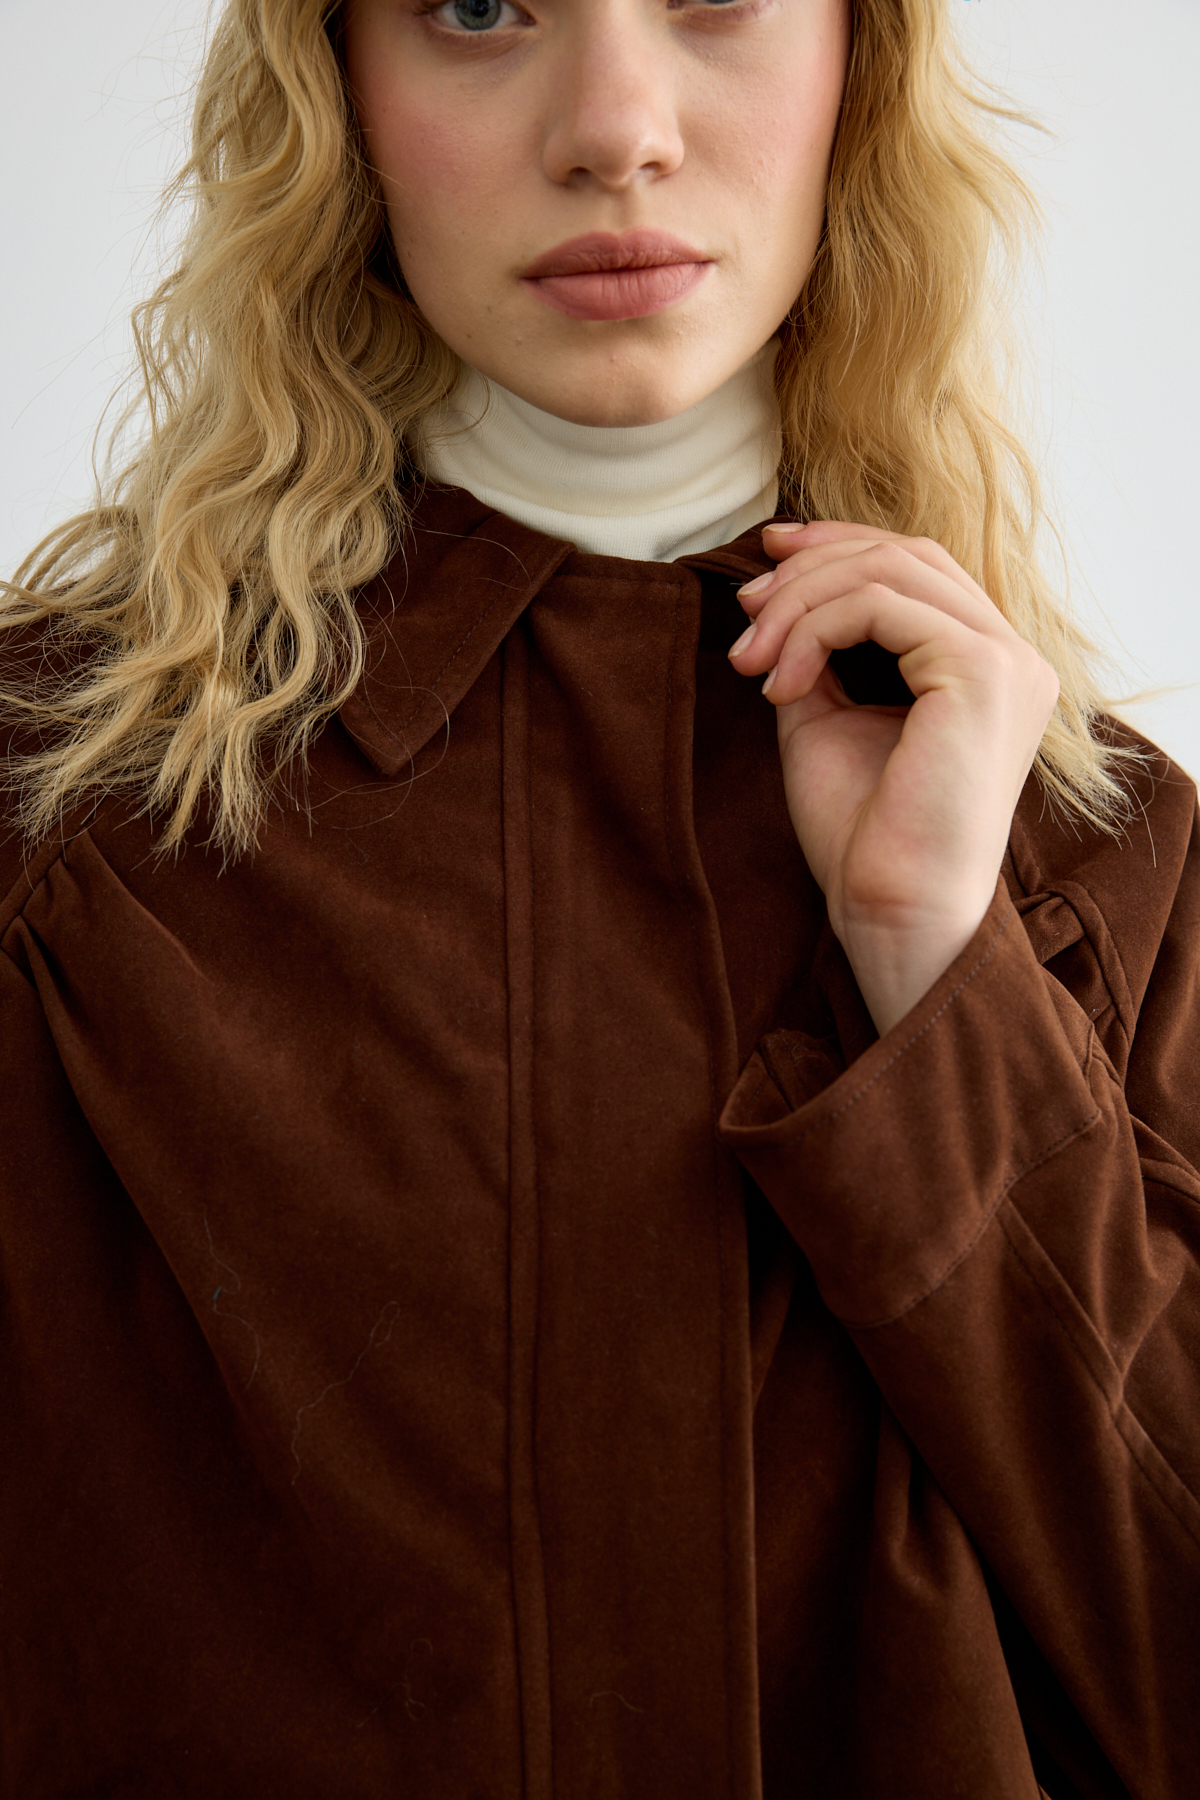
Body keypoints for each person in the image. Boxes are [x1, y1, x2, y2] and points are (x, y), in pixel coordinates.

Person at [1, 0, 1197, 1794]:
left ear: (858, 64)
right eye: (480, 6)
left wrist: (940, 974)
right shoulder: (57, 826)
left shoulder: (1098, 851)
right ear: (338, 86)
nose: (619, 129)